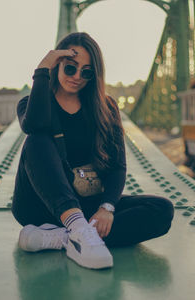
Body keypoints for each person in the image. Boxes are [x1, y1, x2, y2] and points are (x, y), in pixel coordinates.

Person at [12, 32, 174, 269]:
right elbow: (34, 125)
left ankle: (62, 238)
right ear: (58, 63)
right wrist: (43, 68)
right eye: (70, 68)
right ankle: (77, 227)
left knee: (162, 210)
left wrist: (107, 207)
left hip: (86, 203)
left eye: (86, 72)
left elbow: (118, 167)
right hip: (39, 207)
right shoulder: (32, 103)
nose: (77, 76)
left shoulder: (106, 108)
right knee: (36, 139)